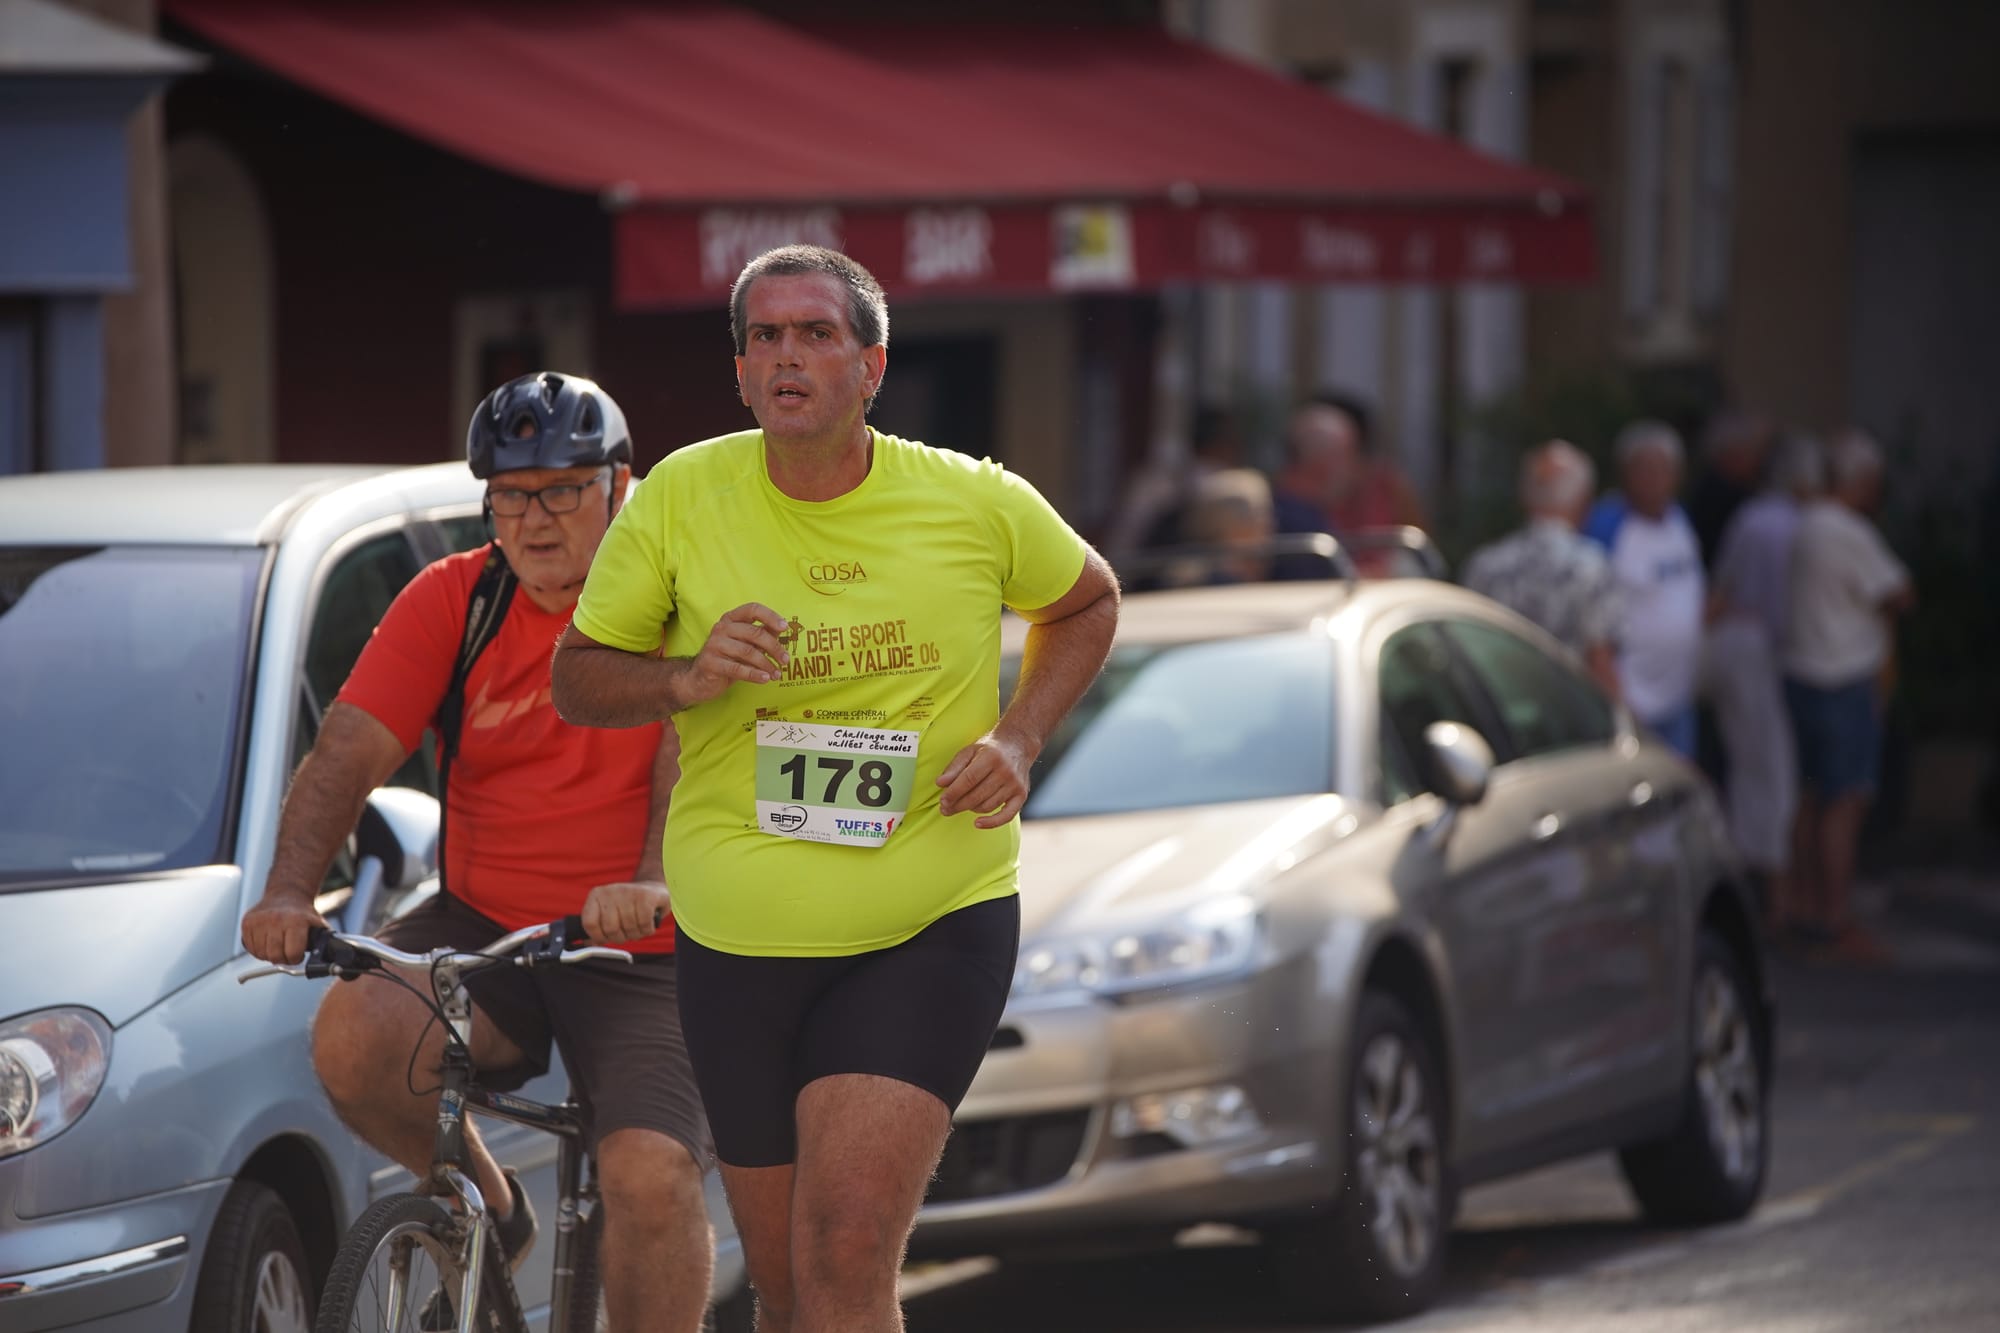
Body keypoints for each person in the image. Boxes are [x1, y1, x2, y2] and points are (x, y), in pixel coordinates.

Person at [547, 245, 1119, 1333]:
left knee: (845, 1256)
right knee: (785, 1289)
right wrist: (685, 675)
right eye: (763, 337)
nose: (786, 356)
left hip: (925, 923)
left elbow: (1086, 600)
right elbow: (577, 678)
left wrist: (1019, 735)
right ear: (739, 372)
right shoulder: (680, 497)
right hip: (737, 942)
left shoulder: (969, 499)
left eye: (815, 333)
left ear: (872, 366)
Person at [240, 373, 713, 1332]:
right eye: (509, 495)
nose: (534, 520)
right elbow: (348, 751)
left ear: (622, 486)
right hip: (489, 924)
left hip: (650, 946)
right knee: (352, 1037)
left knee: (648, 1172)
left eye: (563, 490)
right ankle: (493, 1205)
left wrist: (654, 879)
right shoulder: (458, 599)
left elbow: (691, 749)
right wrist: (289, 892)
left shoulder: (681, 595)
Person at [1783, 429, 1913, 963]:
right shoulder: (1848, 531)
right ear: (1861, 482)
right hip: (1843, 679)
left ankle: (1806, 909)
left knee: (1810, 798)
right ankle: (1834, 921)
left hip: (1800, 674)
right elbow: (1901, 593)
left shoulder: (1801, 524)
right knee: (1844, 801)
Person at [1705, 431, 1825, 929]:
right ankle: (1775, 900)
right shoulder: (1799, 526)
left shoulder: (1752, 517)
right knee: (1774, 772)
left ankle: (1757, 886)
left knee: (1748, 765)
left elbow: (1721, 590)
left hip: (1734, 648)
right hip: (1765, 655)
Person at [1462, 440, 1622, 698]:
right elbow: (1600, 663)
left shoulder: (1484, 564)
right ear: (1583, 501)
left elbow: (1468, 650)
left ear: (1524, 497)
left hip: (1498, 707)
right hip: (1565, 712)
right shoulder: (1593, 567)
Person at [1584, 420, 1706, 756]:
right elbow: (1588, 611)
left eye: (1662, 469)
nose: (1653, 479)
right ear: (1625, 473)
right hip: (1632, 700)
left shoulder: (1679, 521)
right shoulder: (1607, 527)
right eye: (1643, 469)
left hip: (1678, 696)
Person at [1687, 408, 1776, 568]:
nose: (1758, 463)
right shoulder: (1716, 494)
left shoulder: (1742, 490)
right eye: (1752, 452)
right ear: (1733, 453)